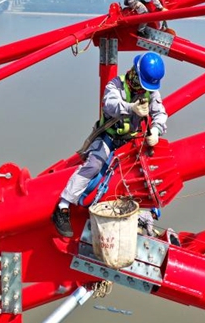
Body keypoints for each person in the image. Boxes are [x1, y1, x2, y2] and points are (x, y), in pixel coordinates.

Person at [52, 52, 168, 238]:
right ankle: (63, 205)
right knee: (93, 165)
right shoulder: (116, 85)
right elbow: (109, 104)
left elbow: (160, 113)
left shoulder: (151, 91)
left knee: (145, 172)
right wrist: (131, 107)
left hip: (131, 141)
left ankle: (146, 211)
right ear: (135, 74)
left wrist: (156, 130)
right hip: (109, 137)